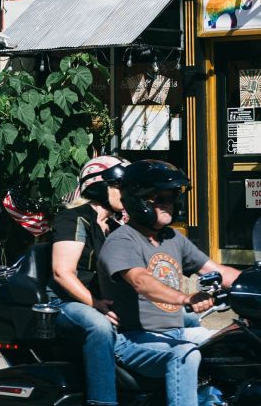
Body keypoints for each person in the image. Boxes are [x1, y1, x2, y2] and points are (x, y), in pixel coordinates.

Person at [97, 160, 241, 406]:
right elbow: (140, 280)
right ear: (138, 199)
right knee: (184, 354)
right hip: (134, 339)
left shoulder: (172, 238)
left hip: (177, 332)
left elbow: (216, 270)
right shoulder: (122, 240)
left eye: (172, 198)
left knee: (240, 341)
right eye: (160, 198)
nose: (169, 205)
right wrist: (185, 298)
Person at [48, 154, 129, 406]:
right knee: (99, 327)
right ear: (98, 186)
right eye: (120, 186)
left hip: (99, 299)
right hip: (67, 303)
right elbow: (62, 272)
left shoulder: (116, 227)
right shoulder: (73, 218)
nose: (126, 192)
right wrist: (96, 304)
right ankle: (102, 401)